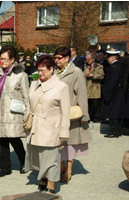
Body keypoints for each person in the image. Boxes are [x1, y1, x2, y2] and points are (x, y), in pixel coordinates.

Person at [25, 55, 70, 194]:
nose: (40, 73)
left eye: (43, 70)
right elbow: (28, 104)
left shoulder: (61, 87)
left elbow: (65, 112)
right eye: (38, 70)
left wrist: (64, 132)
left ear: (52, 69)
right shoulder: (34, 84)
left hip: (52, 127)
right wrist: (26, 120)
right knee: (38, 157)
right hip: (35, 127)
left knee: (51, 158)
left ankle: (51, 185)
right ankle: (43, 177)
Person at [0, 46, 29, 177]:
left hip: (13, 113)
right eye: (1, 59)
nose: (3, 62)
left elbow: (26, 95)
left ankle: (24, 161)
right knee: (2, 141)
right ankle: (5, 167)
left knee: (15, 139)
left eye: (6, 59)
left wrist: (27, 114)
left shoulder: (21, 75)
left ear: (13, 59)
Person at [54, 46, 92, 183]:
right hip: (57, 113)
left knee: (71, 143)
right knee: (60, 142)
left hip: (71, 113)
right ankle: (62, 166)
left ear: (67, 58)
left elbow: (82, 94)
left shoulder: (76, 72)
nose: (56, 60)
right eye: (55, 58)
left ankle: (68, 170)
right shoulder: (55, 72)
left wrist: (84, 116)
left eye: (59, 58)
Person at [103, 49, 125, 138]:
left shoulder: (115, 68)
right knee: (115, 113)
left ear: (112, 58)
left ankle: (114, 131)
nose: (107, 59)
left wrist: (107, 96)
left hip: (114, 95)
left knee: (113, 113)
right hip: (117, 94)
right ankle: (117, 131)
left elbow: (112, 83)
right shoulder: (117, 67)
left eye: (108, 57)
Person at [83, 53, 105, 123]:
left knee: (96, 104)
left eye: (88, 59)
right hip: (86, 87)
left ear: (93, 59)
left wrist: (93, 75)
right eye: (86, 59)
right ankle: (88, 117)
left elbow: (101, 76)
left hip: (95, 87)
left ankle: (97, 118)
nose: (87, 60)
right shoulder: (85, 66)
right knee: (87, 104)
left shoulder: (99, 66)